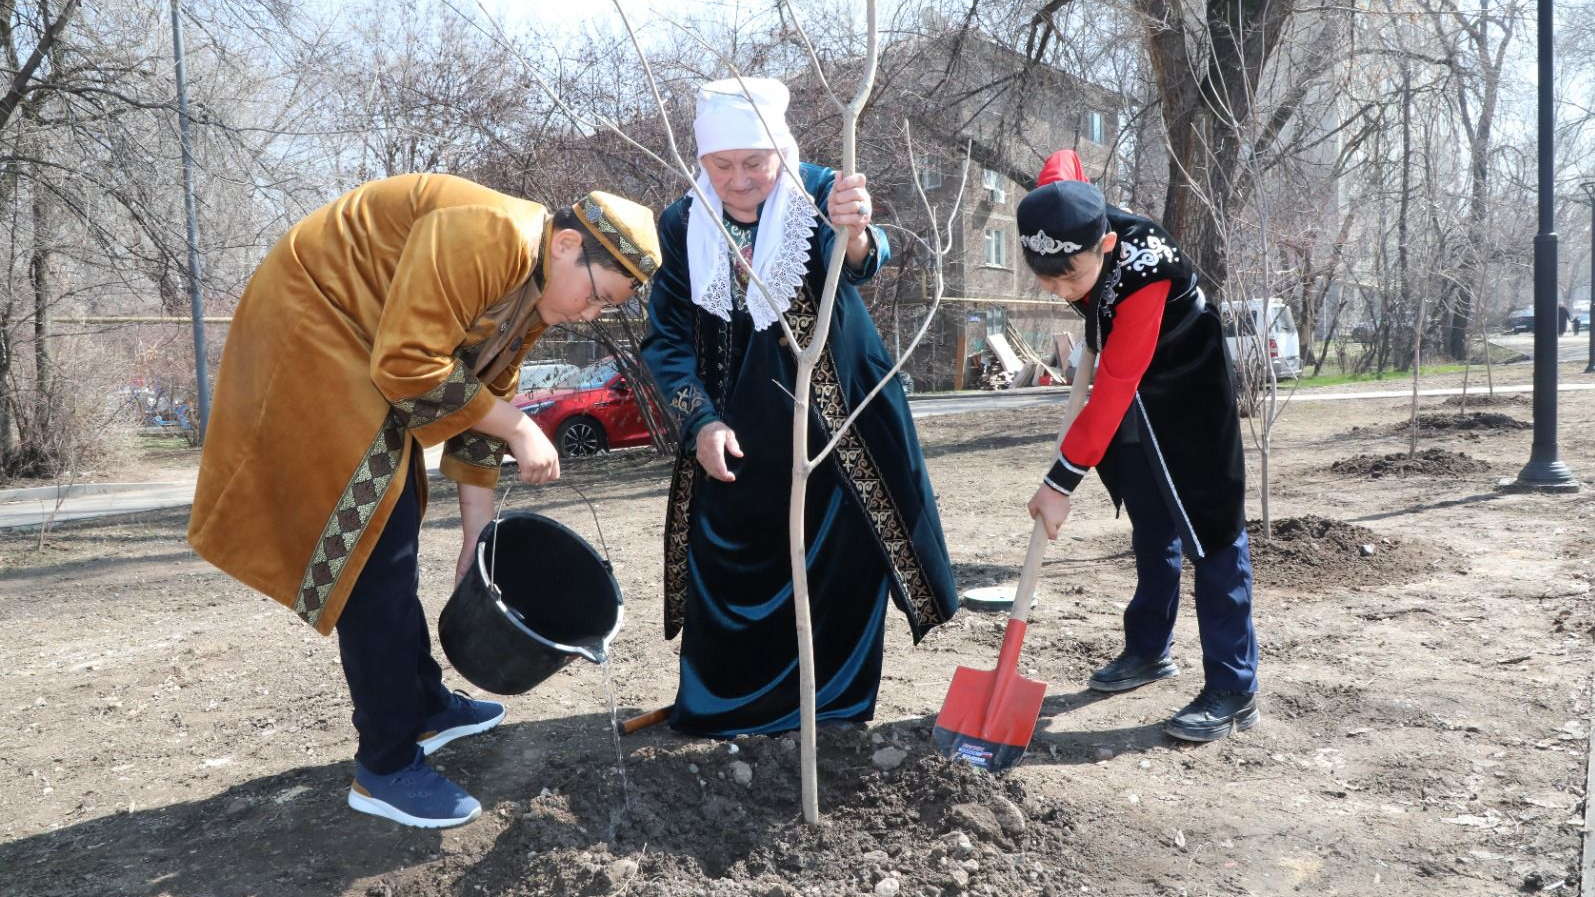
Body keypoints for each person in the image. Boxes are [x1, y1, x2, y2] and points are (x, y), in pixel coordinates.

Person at [188, 173, 660, 827]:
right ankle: (384, 765)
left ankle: (423, 705)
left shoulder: (532, 292)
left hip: (367, 346)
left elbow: (484, 394)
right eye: (598, 296)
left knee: (396, 523)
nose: (589, 315)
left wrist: (477, 539)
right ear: (567, 245)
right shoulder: (490, 235)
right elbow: (408, 366)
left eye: (604, 310)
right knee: (371, 547)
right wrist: (521, 427)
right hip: (315, 326)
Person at [641, 78, 958, 738]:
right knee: (724, 556)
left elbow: (866, 260)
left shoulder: (817, 191)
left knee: (841, 560)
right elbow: (666, 339)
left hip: (837, 423)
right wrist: (699, 420)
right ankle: (726, 707)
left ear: (778, 152)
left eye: (753, 162)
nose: (738, 181)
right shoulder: (681, 222)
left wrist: (856, 230)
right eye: (720, 165)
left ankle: (831, 709)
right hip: (734, 429)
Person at [1019, 150, 1260, 743]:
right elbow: (1062, 166)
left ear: (1105, 246)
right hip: (1134, 399)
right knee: (1152, 526)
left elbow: (1116, 382)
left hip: (1186, 384)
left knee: (1212, 531)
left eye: (1070, 279)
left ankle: (1234, 688)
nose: (1061, 290)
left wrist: (1059, 483)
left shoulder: (1146, 273)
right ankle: (1149, 650)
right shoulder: (1064, 221)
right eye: (1048, 281)